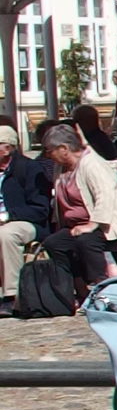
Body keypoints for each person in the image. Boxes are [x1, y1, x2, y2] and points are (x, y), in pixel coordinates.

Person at [37, 120, 117, 287]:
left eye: (49, 151)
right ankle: (73, 288)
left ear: (64, 149)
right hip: (77, 226)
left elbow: (105, 195)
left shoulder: (92, 164)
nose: (47, 155)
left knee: (86, 241)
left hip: (109, 222)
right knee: (54, 243)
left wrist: (92, 224)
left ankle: (100, 286)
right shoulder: (61, 167)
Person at [0, 124, 50, 316]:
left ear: (8, 148)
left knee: (6, 234)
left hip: (27, 222)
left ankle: (11, 296)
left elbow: (40, 209)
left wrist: (8, 216)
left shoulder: (29, 169)